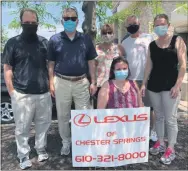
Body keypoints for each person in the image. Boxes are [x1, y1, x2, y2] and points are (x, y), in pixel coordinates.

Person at [2, 8, 52, 169]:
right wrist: (12, 92)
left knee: (43, 125)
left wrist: (51, 85)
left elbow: (50, 66)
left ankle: (41, 149)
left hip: (43, 93)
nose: (30, 25)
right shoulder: (12, 43)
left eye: (33, 22)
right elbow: (7, 68)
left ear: (37, 23)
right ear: (21, 23)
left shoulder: (45, 43)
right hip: (21, 94)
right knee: (22, 128)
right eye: (26, 23)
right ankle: (23, 155)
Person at [47, 7, 97, 156]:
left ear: (77, 20)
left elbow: (91, 62)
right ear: (62, 20)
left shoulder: (85, 39)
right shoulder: (54, 39)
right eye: (66, 18)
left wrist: (93, 81)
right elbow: (50, 63)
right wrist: (51, 82)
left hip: (81, 82)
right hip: (61, 82)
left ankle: (83, 142)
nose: (70, 21)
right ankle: (66, 142)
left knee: (84, 115)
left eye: (73, 18)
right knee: (62, 116)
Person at [141, 14, 187, 165]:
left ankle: (171, 148)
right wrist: (143, 84)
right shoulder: (152, 45)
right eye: (157, 24)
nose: (160, 27)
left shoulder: (177, 40)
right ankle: (160, 142)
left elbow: (183, 65)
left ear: (168, 25)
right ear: (154, 26)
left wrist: (178, 85)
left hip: (171, 87)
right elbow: (149, 66)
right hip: (154, 86)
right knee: (159, 116)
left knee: (170, 119)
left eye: (162, 24)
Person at [121, 15, 157, 142]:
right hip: (131, 80)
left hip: (148, 79)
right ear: (126, 27)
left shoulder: (149, 38)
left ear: (139, 23)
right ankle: (137, 132)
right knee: (134, 108)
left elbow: (154, 58)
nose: (132, 26)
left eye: (134, 23)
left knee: (150, 107)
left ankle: (153, 131)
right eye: (129, 24)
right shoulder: (124, 43)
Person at [94, 24, 125, 108]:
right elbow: (93, 67)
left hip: (116, 84)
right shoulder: (96, 49)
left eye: (109, 32)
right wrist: (93, 83)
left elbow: (124, 66)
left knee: (115, 112)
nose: (107, 35)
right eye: (104, 33)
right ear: (101, 35)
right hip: (100, 85)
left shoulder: (119, 48)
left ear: (113, 34)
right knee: (101, 113)